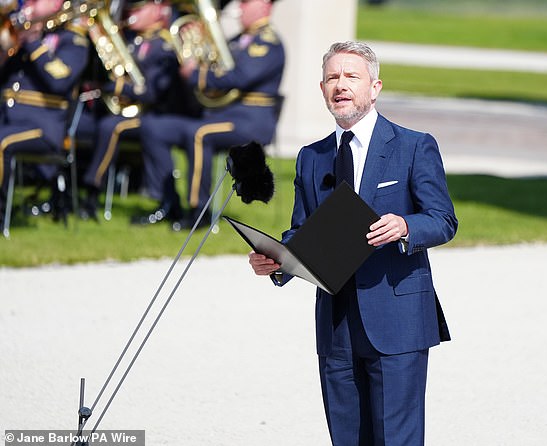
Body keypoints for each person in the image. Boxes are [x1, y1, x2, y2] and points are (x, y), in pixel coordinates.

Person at [248, 41, 458, 445]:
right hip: (335, 325)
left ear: (374, 87)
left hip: (396, 322)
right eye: (332, 78)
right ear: (322, 89)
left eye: (351, 76)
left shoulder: (414, 146)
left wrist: (405, 226)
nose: (340, 85)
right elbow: (301, 232)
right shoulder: (312, 157)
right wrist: (277, 260)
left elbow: (443, 220)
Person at [135, 0, 284, 229]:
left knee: (199, 133)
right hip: (223, 116)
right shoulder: (238, 40)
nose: (240, 8)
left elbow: (239, 77)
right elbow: (217, 64)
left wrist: (196, 73)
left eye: (246, 3)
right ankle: (167, 202)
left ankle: (198, 212)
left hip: (250, 120)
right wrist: (194, 42)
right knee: (153, 127)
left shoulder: (268, 43)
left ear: (265, 5)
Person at [79, 0, 186, 220]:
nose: (131, 12)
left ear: (157, 10)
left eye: (138, 8)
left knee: (112, 127)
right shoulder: (131, 39)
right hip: (130, 110)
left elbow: (152, 92)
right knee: (91, 122)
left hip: (153, 113)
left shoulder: (165, 45)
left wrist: (117, 86)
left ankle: (91, 191)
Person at [0, 0, 89, 226]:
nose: (28, 5)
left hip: (44, 128)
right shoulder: (18, 37)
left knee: (1, 142)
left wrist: (33, 44)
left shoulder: (73, 40)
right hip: (8, 119)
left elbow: (60, 81)